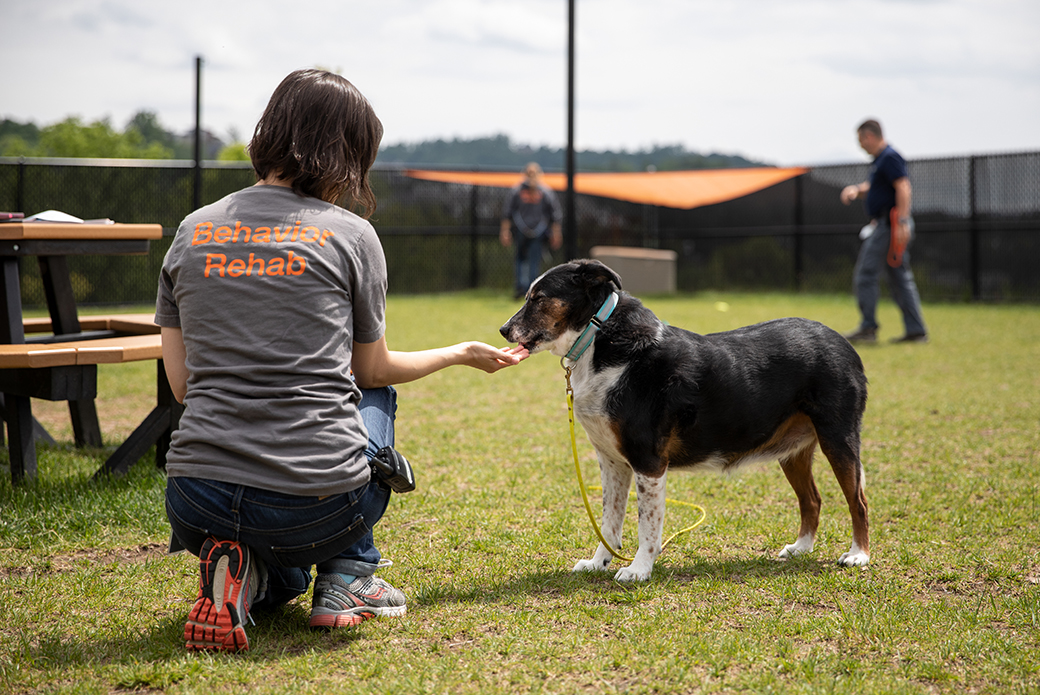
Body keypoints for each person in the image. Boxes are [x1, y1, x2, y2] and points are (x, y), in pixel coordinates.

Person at [156, 69, 528, 652]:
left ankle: (246, 577)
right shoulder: (351, 236)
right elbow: (371, 371)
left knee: (277, 559)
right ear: (345, 153)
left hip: (195, 496)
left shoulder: (192, 229)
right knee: (374, 395)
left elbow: (182, 386)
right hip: (313, 504)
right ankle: (347, 578)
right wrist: (459, 352)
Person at [840, 119, 928, 344]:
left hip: (890, 226)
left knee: (866, 274)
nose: (860, 145)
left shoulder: (889, 157)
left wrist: (903, 222)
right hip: (888, 225)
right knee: (900, 279)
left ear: (869, 136)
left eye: (860, 140)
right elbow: (875, 187)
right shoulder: (880, 161)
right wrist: (857, 190)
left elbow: (903, 186)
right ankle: (916, 331)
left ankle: (868, 329)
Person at [499, 162, 563, 298]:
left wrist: (556, 234)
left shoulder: (546, 192)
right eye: (529, 174)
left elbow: (555, 215)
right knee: (520, 260)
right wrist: (505, 231)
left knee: (534, 260)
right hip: (521, 231)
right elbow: (507, 213)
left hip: (538, 232)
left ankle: (532, 290)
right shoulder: (516, 191)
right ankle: (520, 288)